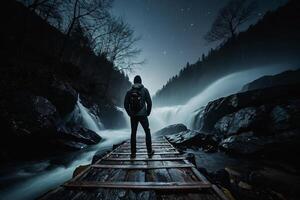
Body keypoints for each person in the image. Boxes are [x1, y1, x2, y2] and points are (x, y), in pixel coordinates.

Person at [124, 75, 154, 158]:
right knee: (147, 131)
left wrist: (129, 113)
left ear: (134, 82)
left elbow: (125, 104)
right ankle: (149, 152)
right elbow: (149, 103)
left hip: (133, 115)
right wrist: (148, 112)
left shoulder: (129, 91)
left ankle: (133, 153)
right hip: (143, 115)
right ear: (141, 82)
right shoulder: (145, 90)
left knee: (133, 133)